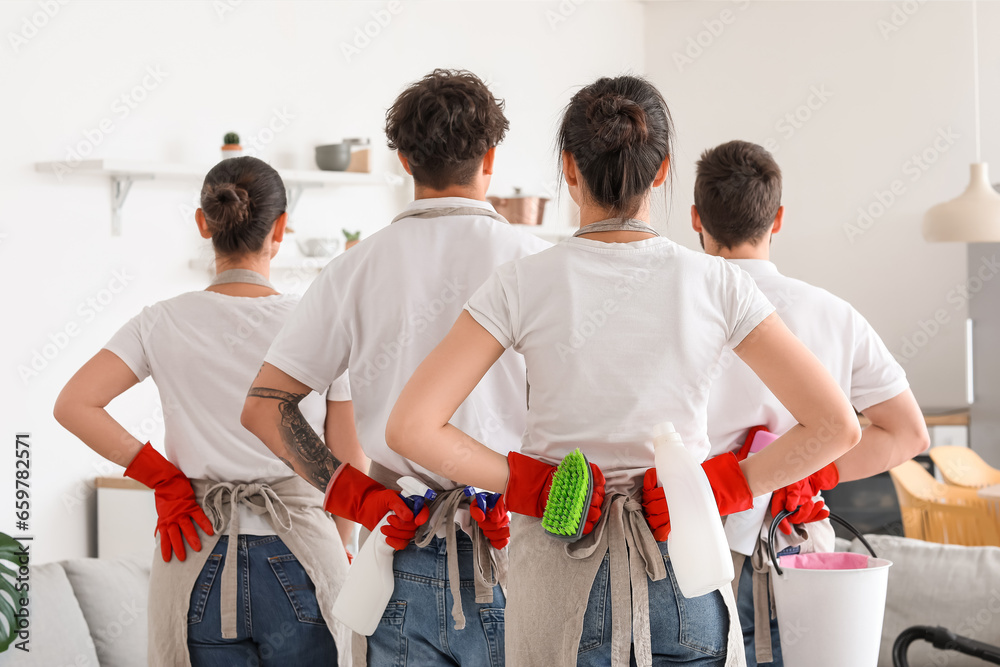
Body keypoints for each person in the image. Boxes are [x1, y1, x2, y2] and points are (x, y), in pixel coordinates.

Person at [386, 74, 862, 667]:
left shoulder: (523, 282)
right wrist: (720, 487)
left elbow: (410, 427)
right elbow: (836, 426)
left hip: (560, 582)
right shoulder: (717, 283)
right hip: (683, 573)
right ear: (662, 171)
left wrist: (527, 482)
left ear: (568, 168)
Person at [241, 69, 551, 667]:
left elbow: (264, 405)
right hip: (517, 550)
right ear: (491, 157)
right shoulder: (538, 266)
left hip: (402, 548)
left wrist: (354, 495)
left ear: (405, 161)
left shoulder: (354, 269)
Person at [54, 156, 365, 666]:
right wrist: (343, 546)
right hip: (305, 553)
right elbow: (348, 456)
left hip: (196, 554)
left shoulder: (160, 322)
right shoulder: (321, 323)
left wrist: (164, 480)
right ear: (281, 228)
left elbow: (74, 404)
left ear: (203, 222)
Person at [692, 140, 930, 666]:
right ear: (777, 219)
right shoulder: (834, 315)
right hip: (800, 547)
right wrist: (810, 473)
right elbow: (909, 433)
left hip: (695, 547)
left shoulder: (677, 313)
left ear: (695, 218)